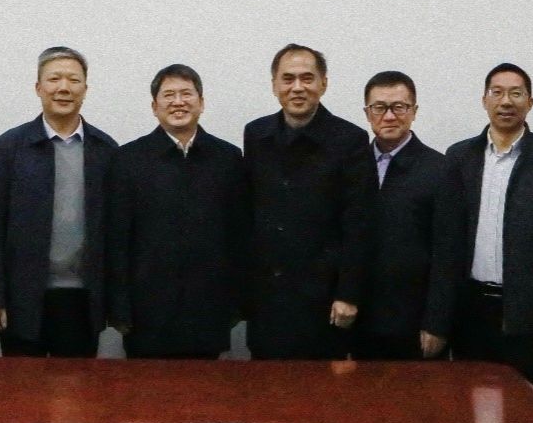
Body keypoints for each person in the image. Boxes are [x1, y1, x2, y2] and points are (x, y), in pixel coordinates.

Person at [446, 63, 533, 393]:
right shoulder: (459, 158)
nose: (506, 101)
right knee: (467, 405)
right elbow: (446, 239)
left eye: (516, 93)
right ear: (484, 100)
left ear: (530, 102)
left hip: (527, 313)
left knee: (525, 409)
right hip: (469, 310)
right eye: (497, 92)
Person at [0, 46, 118, 357]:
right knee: (23, 385)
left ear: (85, 89)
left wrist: (116, 302)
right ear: (38, 87)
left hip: (83, 298)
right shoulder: (10, 147)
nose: (63, 88)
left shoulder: (105, 150)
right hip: (22, 297)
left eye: (73, 80)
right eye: (54, 79)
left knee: (78, 385)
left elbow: (116, 233)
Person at [243, 43, 375, 359]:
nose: (298, 88)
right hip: (268, 298)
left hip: (323, 298)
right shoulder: (256, 134)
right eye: (288, 79)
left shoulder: (350, 140)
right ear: (274, 85)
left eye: (307, 78)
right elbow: (249, 214)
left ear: (323, 83)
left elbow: (359, 224)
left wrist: (348, 294)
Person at [106, 64, 246, 359]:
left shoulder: (228, 158)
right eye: (169, 95)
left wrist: (236, 304)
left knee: (206, 388)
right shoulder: (128, 160)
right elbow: (116, 240)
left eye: (186, 94)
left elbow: (239, 237)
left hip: (209, 310)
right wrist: (118, 307)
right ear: (154, 107)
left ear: (201, 103)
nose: (178, 102)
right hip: (146, 313)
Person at [354, 71, 455, 361]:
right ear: (367, 113)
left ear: (414, 111)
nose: (389, 116)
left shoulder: (440, 169)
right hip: (359, 319)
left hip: (415, 322)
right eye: (379, 107)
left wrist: (437, 323)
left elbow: (448, 253)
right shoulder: (352, 165)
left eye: (399, 107)